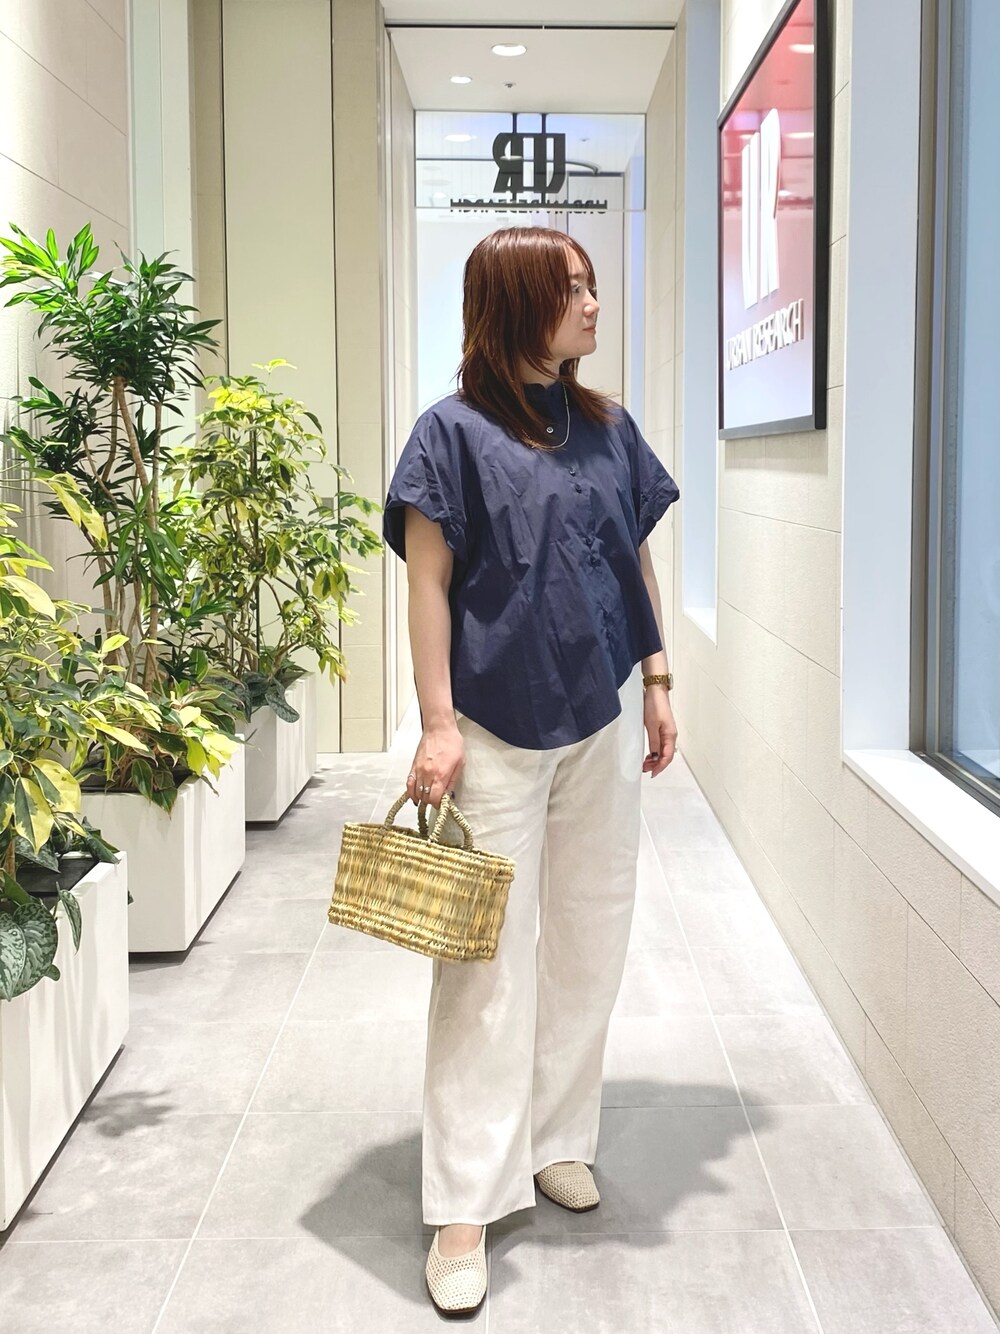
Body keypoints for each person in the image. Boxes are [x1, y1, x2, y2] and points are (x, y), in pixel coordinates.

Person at [382, 225, 679, 1316]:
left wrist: (658, 676)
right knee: (483, 965)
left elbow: (633, 554)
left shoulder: (607, 427)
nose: (593, 304)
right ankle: (466, 1202)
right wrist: (435, 722)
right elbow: (426, 583)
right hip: (496, 726)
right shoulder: (450, 433)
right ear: (515, 302)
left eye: (593, 285)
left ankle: (557, 1138)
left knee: (591, 937)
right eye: (573, 288)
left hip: (601, 714)